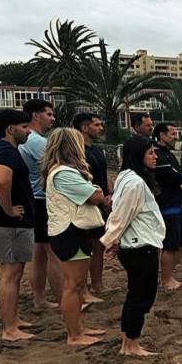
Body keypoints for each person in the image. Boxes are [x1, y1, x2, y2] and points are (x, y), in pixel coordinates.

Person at [101, 136, 166, 357]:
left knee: (139, 294)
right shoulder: (134, 182)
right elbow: (121, 215)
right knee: (140, 296)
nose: (155, 157)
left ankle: (128, 342)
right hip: (139, 246)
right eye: (150, 153)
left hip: (138, 243)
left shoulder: (128, 177)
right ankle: (130, 345)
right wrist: (110, 241)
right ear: (138, 156)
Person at [42, 128, 107, 346]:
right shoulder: (64, 173)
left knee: (77, 284)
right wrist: (94, 188)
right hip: (70, 232)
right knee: (73, 284)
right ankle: (74, 334)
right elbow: (95, 196)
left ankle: (79, 328)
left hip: (72, 231)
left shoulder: (62, 172)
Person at [0, 109, 36, 341]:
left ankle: (14, 319)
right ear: (10, 129)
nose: (28, 131)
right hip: (10, 223)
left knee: (16, 272)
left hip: (15, 222)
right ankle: (9, 329)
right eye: (24, 127)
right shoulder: (6, 151)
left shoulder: (7, 150)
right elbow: (1, 181)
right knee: (10, 273)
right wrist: (8, 209)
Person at [18, 98, 61, 309]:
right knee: (53, 252)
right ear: (36, 115)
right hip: (42, 200)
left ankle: (39, 298)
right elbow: (59, 167)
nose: (52, 118)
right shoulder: (37, 141)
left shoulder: (27, 139)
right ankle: (64, 299)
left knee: (39, 254)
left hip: (32, 200)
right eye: (49, 114)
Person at [73, 112, 112, 298]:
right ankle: (83, 289)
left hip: (102, 202)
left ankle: (98, 284)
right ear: (84, 127)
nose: (101, 128)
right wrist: (99, 198)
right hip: (86, 203)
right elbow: (80, 180)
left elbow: (105, 173)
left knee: (99, 245)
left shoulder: (96, 149)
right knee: (83, 248)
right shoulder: (77, 151)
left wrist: (110, 194)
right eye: (96, 125)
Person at [153, 123, 182, 290]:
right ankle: (166, 279)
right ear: (162, 135)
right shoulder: (158, 155)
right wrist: (179, 174)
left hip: (175, 202)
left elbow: (181, 173)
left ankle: (168, 275)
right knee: (170, 245)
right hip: (166, 204)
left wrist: (179, 174)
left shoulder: (168, 153)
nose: (175, 137)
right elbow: (174, 176)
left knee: (181, 243)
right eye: (172, 134)